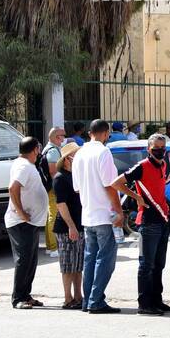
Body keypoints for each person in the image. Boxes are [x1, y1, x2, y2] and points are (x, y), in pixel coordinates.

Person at [111, 132, 170, 316]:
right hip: (148, 221)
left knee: (159, 264)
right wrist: (136, 197)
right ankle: (145, 304)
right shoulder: (142, 166)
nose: (160, 152)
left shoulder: (164, 165)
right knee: (146, 265)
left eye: (163, 149)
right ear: (149, 149)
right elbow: (116, 183)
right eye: (156, 149)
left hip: (162, 219)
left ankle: (157, 300)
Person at [74, 119, 124, 314]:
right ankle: (96, 300)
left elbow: (77, 189)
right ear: (105, 133)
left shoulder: (79, 153)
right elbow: (110, 184)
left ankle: (89, 300)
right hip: (104, 214)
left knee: (91, 259)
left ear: (90, 133)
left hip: (88, 214)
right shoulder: (103, 152)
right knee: (105, 259)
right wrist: (118, 210)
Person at [5, 136, 48, 309]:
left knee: (30, 260)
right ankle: (18, 298)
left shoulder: (26, 165)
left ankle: (26, 294)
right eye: (39, 148)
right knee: (24, 260)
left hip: (30, 222)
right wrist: (21, 212)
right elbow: (13, 188)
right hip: (20, 222)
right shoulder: (23, 166)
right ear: (36, 149)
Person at [51, 142, 84, 309]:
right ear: (66, 159)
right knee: (68, 265)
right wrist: (71, 226)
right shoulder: (60, 178)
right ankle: (67, 298)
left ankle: (78, 296)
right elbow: (61, 205)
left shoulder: (76, 176)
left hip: (79, 225)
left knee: (78, 265)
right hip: (66, 228)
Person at [41, 127, 65, 253]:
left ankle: (50, 246)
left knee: (50, 215)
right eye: (63, 135)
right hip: (53, 187)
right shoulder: (53, 151)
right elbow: (52, 170)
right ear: (57, 137)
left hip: (49, 187)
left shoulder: (49, 148)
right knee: (54, 215)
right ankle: (54, 247)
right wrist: (58, 187)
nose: (64, 138)